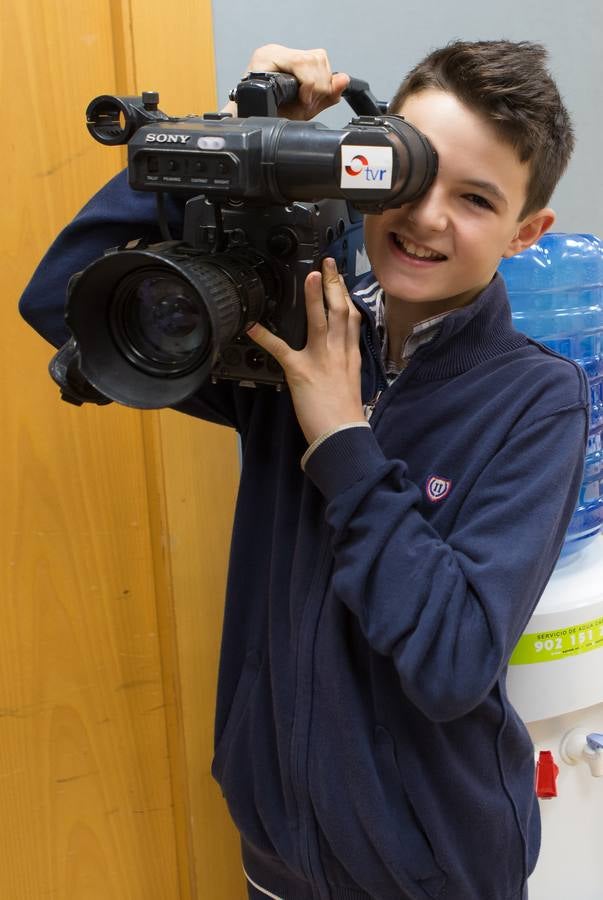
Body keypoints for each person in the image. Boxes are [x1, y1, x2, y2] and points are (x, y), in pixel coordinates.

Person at [20, 40, 589, 900]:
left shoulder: (536, 402)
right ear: (365, 164)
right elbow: (63, 297)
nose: (428, 216)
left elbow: (452, 662)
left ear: (524, 232)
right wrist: (233, 143)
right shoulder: (297, 332)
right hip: (277, 850)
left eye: (475, 199)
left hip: (430, 871)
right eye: (410, 173)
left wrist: (341, 439)